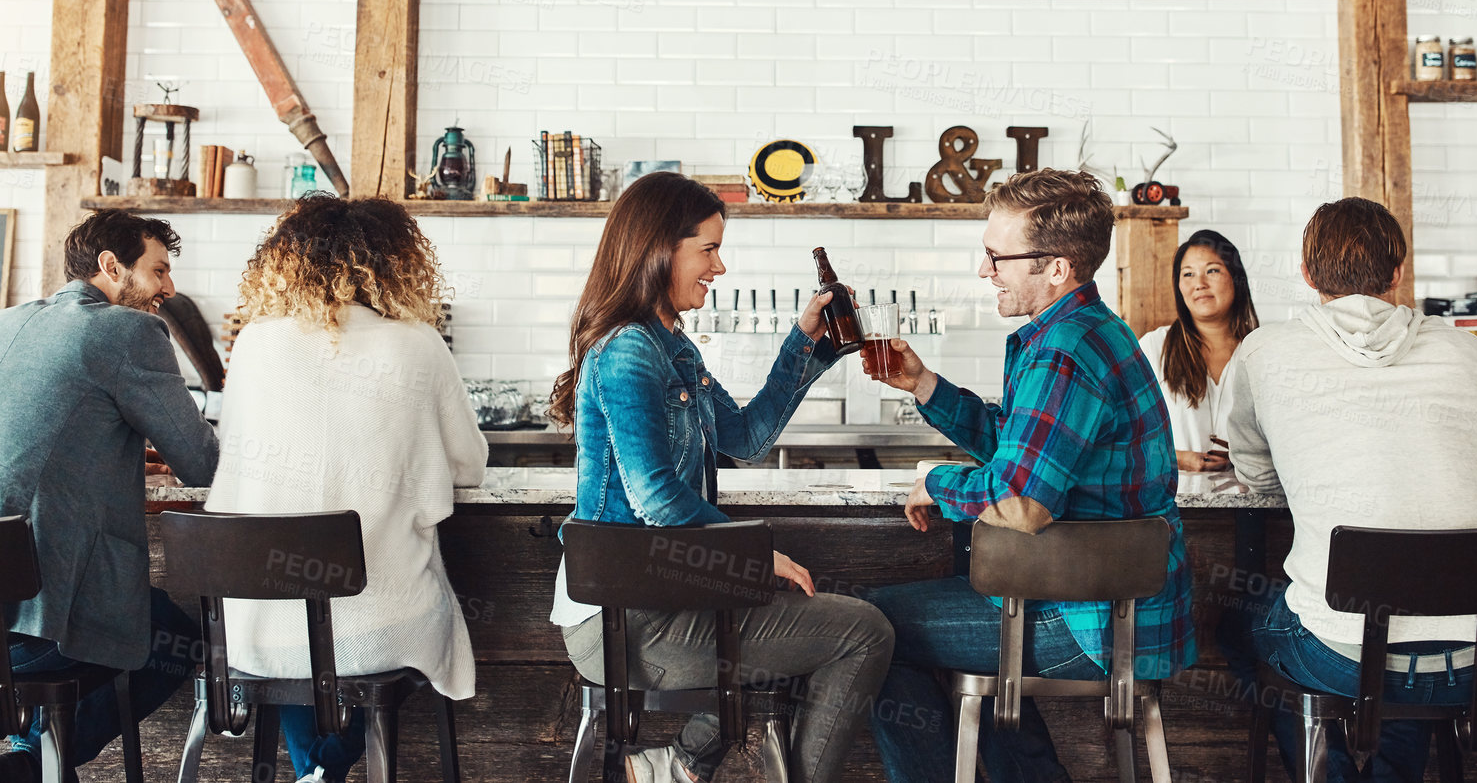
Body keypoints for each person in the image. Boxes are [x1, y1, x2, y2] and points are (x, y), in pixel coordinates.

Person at [549, 171, 893, 783]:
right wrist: (753, 557)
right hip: (626, 623)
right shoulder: (628, 349)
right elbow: (653, 494)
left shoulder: (673, 348)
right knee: (862, 632)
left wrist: (805, 343)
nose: (720, 267)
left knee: (818, 626)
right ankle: (682, 764)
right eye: (708, 249)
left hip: (661, 604)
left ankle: (677, 765)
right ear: (658, 249)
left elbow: (747, 438)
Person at [863, 168, 1196, 783]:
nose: (985, 270)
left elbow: (1021, 500)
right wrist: (923, 385)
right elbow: (1027, 449)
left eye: (997, 256)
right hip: (1108, 610)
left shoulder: (1063, 351)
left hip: (1090, 622)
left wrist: (936, 484)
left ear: (1057, 269)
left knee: (866, 628)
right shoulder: (1085, 332)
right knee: (949, 630)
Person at [1224, 197, 1477, 783]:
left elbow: (1257, 476)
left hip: (1344, 652)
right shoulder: (1468, 349)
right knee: (1403, 625)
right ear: (1397, 273)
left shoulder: (1263, 349)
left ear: (1308, 275)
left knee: (1241, 625)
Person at [205, 196, 488, 783]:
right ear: (398, 263)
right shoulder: (419, 345)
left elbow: (228, 445)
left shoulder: (255, 343)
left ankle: (319, 769)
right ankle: (327, 765)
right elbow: (469, 466)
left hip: (255, 630)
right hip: (379, 630)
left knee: (299, 639)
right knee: (349, 636)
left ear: (286, 262)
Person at [0, 210, 218, 782]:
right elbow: (201, 463)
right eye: (159, 271)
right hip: (47, 618)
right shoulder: (128, 331)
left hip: (9, 614)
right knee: (178, 644)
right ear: (110, 266)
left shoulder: (10, 321)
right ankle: (35, 762)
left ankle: (34, 757)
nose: (168, 289)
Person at [1140, 229, 1259, 473]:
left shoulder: (1261, 350)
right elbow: (1123, 438)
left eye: (1212, 271)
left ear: (1235, 278)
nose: (1200, 284)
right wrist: (1178, 459)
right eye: (1188, 274)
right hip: (1175, 505)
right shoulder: (1154, 347)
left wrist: (1242, 460)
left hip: (1251, 505)